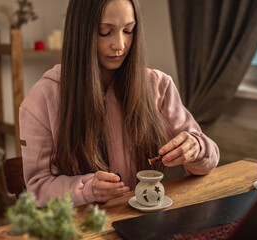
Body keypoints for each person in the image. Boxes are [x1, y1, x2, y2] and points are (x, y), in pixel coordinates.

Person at [19, 0, 220, 208]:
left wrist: (196, 147)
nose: (120, 45)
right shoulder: (42, 99)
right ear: (80, 33)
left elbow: (209, 159)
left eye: (128, 30)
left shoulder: (158, 85)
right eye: (105, 32)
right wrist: (87, 189)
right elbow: (38, 188)